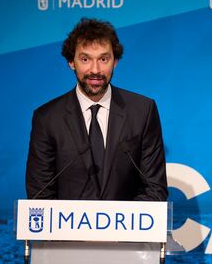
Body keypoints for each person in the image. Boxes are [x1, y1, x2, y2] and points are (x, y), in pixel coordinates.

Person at [26, 18, 167, 201]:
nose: (95, 69)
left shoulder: (142, 111)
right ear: (71, 62)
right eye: (85, 59)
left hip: (125, 229)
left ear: (115, 61)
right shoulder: (47, 118)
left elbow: (155, 189)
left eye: (103, 59)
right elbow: (40, 193)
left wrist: (117, 225)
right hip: (68, 229)